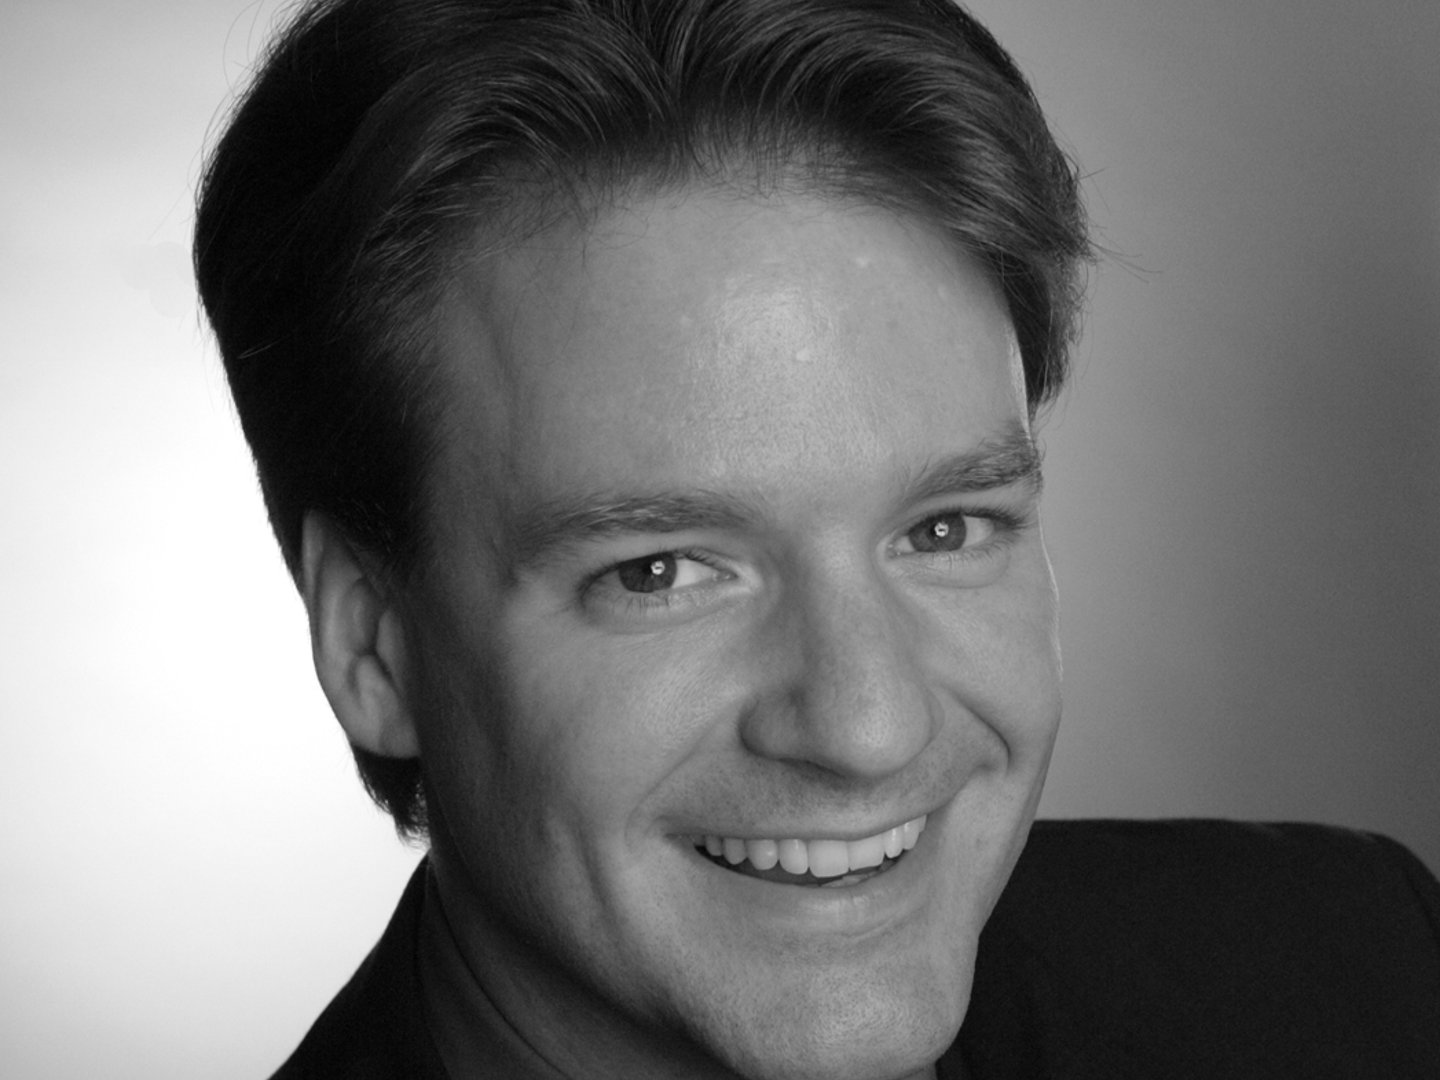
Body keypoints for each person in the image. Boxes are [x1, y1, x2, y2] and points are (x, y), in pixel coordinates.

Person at [194, 1, 1440, 1076]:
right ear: (373, 648)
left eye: (945, 527)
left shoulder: (1361, 978)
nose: (866, 728)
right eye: (660, 572)